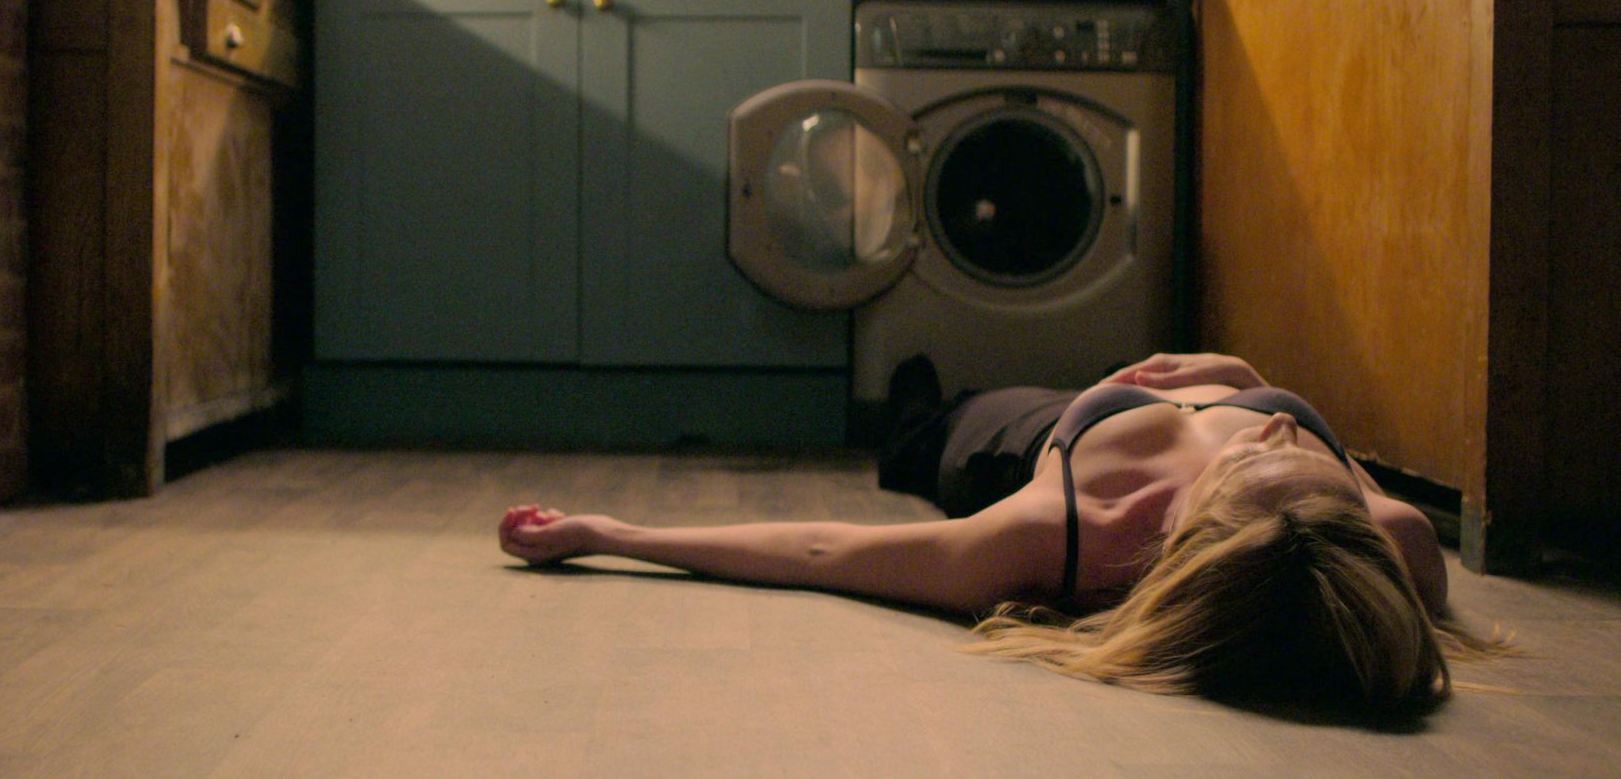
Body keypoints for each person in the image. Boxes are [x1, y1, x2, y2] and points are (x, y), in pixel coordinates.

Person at [498, 352, 1503, 712]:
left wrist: (614, 531)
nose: (1280, 428)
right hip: (1132, 397)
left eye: (1261, 452)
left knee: (931, 428)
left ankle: (914, 401)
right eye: (1311, 453)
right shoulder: (1388, 537)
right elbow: (1291, 449)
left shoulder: (1066, 531)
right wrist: (1242, 376)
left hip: (1025, 440)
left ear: (1192, 525)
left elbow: (822, 552)